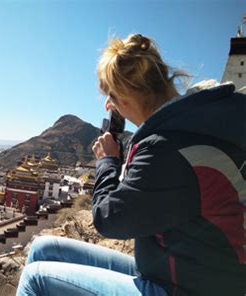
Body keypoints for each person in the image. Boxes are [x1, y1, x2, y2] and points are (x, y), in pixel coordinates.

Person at [16, 34, 246, 296]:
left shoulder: (165, 147)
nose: (107, 104)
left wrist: (107, 161)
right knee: (44, 249)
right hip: (184, 275)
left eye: (110, 96)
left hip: (184, 289)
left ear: (124, 99)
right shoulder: (193, 127)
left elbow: (109, 219)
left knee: (36, 278)